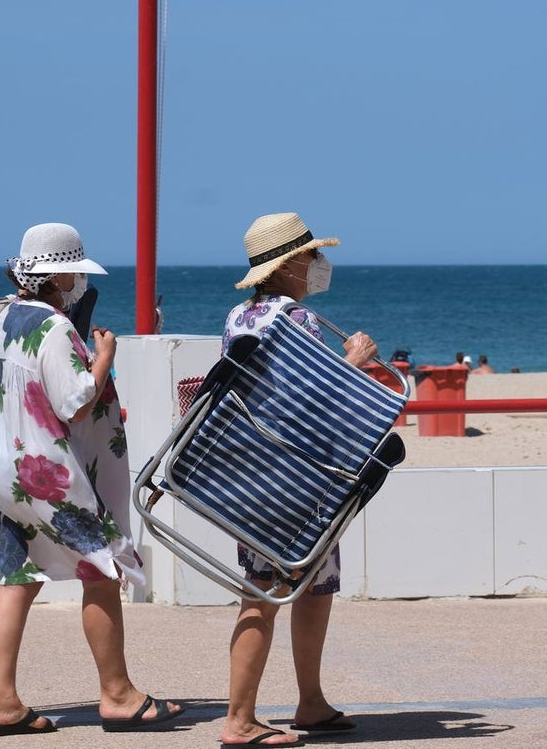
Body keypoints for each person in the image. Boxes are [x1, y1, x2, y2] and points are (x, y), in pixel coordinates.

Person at [0, 223, 184, 737]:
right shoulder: (53, 327)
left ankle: (1, 701)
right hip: (45, 474)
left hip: (0, 467)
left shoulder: (4, 316)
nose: (78, 281)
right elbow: (75, 401)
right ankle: (118, 696)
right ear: (59, 273)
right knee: (103, 568)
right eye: (73, 271)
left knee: (17, 577)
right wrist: (106, 356)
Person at [220, 212, 374, 748]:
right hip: (296, 479)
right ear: (287, 266)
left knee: (304, 586)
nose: (318, 264)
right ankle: (240, 720)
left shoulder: (240, 316)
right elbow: (310, 404)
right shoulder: (298, 322)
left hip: (249, 471)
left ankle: (311, 701)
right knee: (266, 593)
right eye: (310, 256)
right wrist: (352, 364)